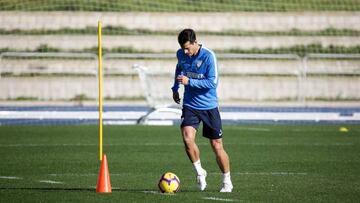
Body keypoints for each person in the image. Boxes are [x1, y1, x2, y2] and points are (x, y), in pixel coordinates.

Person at [171, 28, 233, 192]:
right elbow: (179, 69)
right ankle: (200, 172)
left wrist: (189, 82)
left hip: (209, 106)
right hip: (190, 105)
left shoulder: (208, 56)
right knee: (187, 138)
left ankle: (227, 180)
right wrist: (175, 88)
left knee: (216, 146)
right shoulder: (181, 54)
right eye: (183, 48)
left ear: (195, 42)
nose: (185, 51)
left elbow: (212, 83)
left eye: (187, 48)